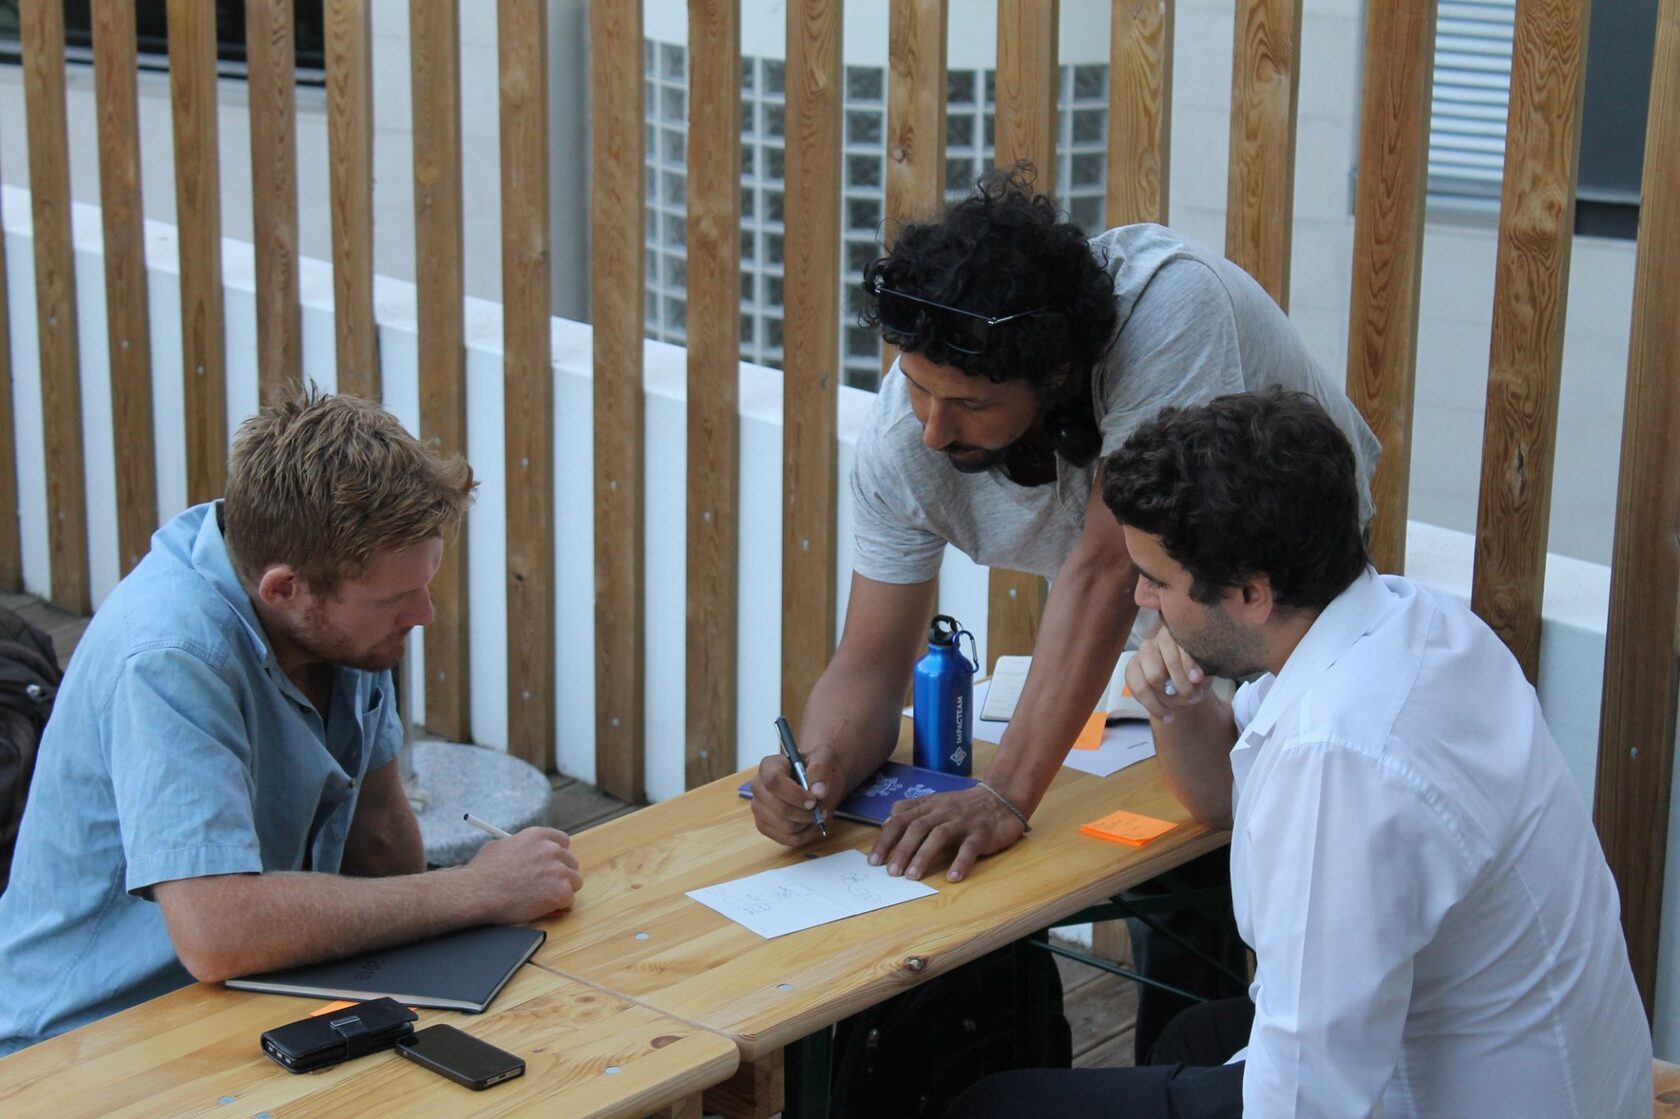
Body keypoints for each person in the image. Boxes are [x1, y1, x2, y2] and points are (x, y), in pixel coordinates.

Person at [749, 165, 1381, 1054]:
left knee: (1234, 845)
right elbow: (870, 656)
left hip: (1272, 583)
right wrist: (819, 770)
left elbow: (1100, 563)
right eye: (917, 386)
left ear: (1052, 375)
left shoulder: (1171, 312)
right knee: (1156, 796)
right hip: (1160, 582)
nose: (931, 426)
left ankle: (1226, 1071)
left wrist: (1007, 792)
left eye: (967, 404)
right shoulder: (910, 431)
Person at [949, 388, 1651, 1118]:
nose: (1141, 599)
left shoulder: (1339, 759)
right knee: (1196, 1032)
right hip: (1549, 1071)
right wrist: (1178, 705)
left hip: (1454, 1094)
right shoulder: (1409, 623)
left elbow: (1310, 1094)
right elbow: (1224, 793)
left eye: (1157, 580)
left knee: (993, 1106)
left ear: (1252, 592)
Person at [0, 389, 583, 1055]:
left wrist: (465, 928)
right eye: (395, 598)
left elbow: (383, 841)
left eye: (427, 584)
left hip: (250, 996)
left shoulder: (342, 624)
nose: (424, 615)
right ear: (283, 588)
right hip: (81, 1042)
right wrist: (475, 890)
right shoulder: (169, 655)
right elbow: (217, 932)